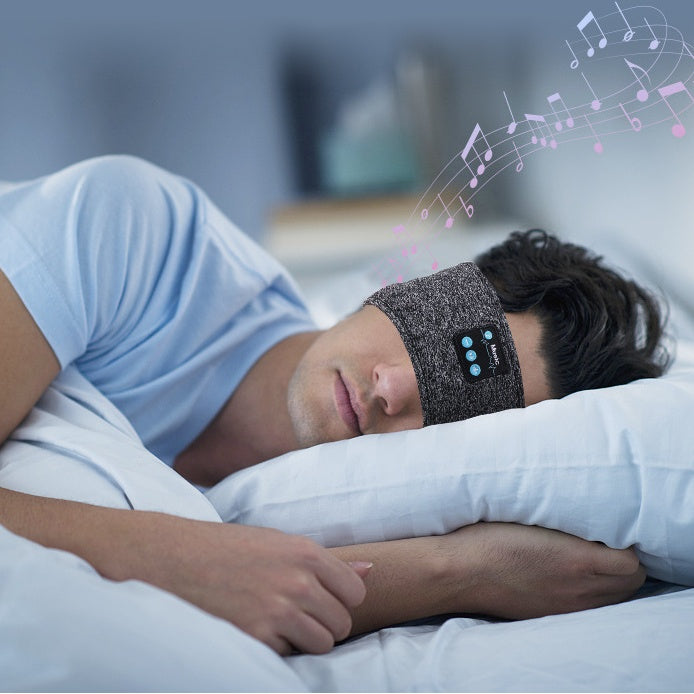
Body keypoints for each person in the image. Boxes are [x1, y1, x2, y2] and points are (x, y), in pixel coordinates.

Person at [0, 156, 666, 656]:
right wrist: (174, 557)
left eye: (459, 413)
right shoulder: (134, 239)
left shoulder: (378, 512)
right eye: (434, 345)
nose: (394, 390)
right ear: (416, 288)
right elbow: (224, 575)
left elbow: (273, 590)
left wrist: (471, 569)